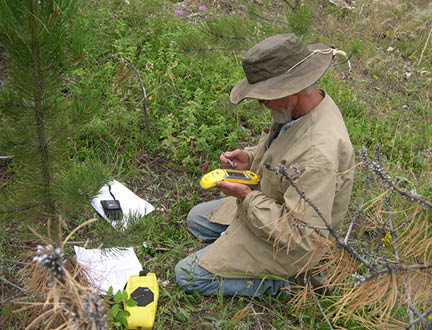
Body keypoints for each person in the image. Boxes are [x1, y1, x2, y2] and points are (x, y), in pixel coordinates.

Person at [175, 33, 355, 296]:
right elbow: (286, 147)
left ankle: (288, 282)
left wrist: (246, 196)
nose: (261, 102)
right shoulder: (302, 106)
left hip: (293, 245)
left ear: (292, 89)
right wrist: (250, 157)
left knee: (188, 275)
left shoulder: (318, 153)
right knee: (196, 220)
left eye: (266, 94)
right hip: (273, 202)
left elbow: (302, 236)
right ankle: (239, 241)